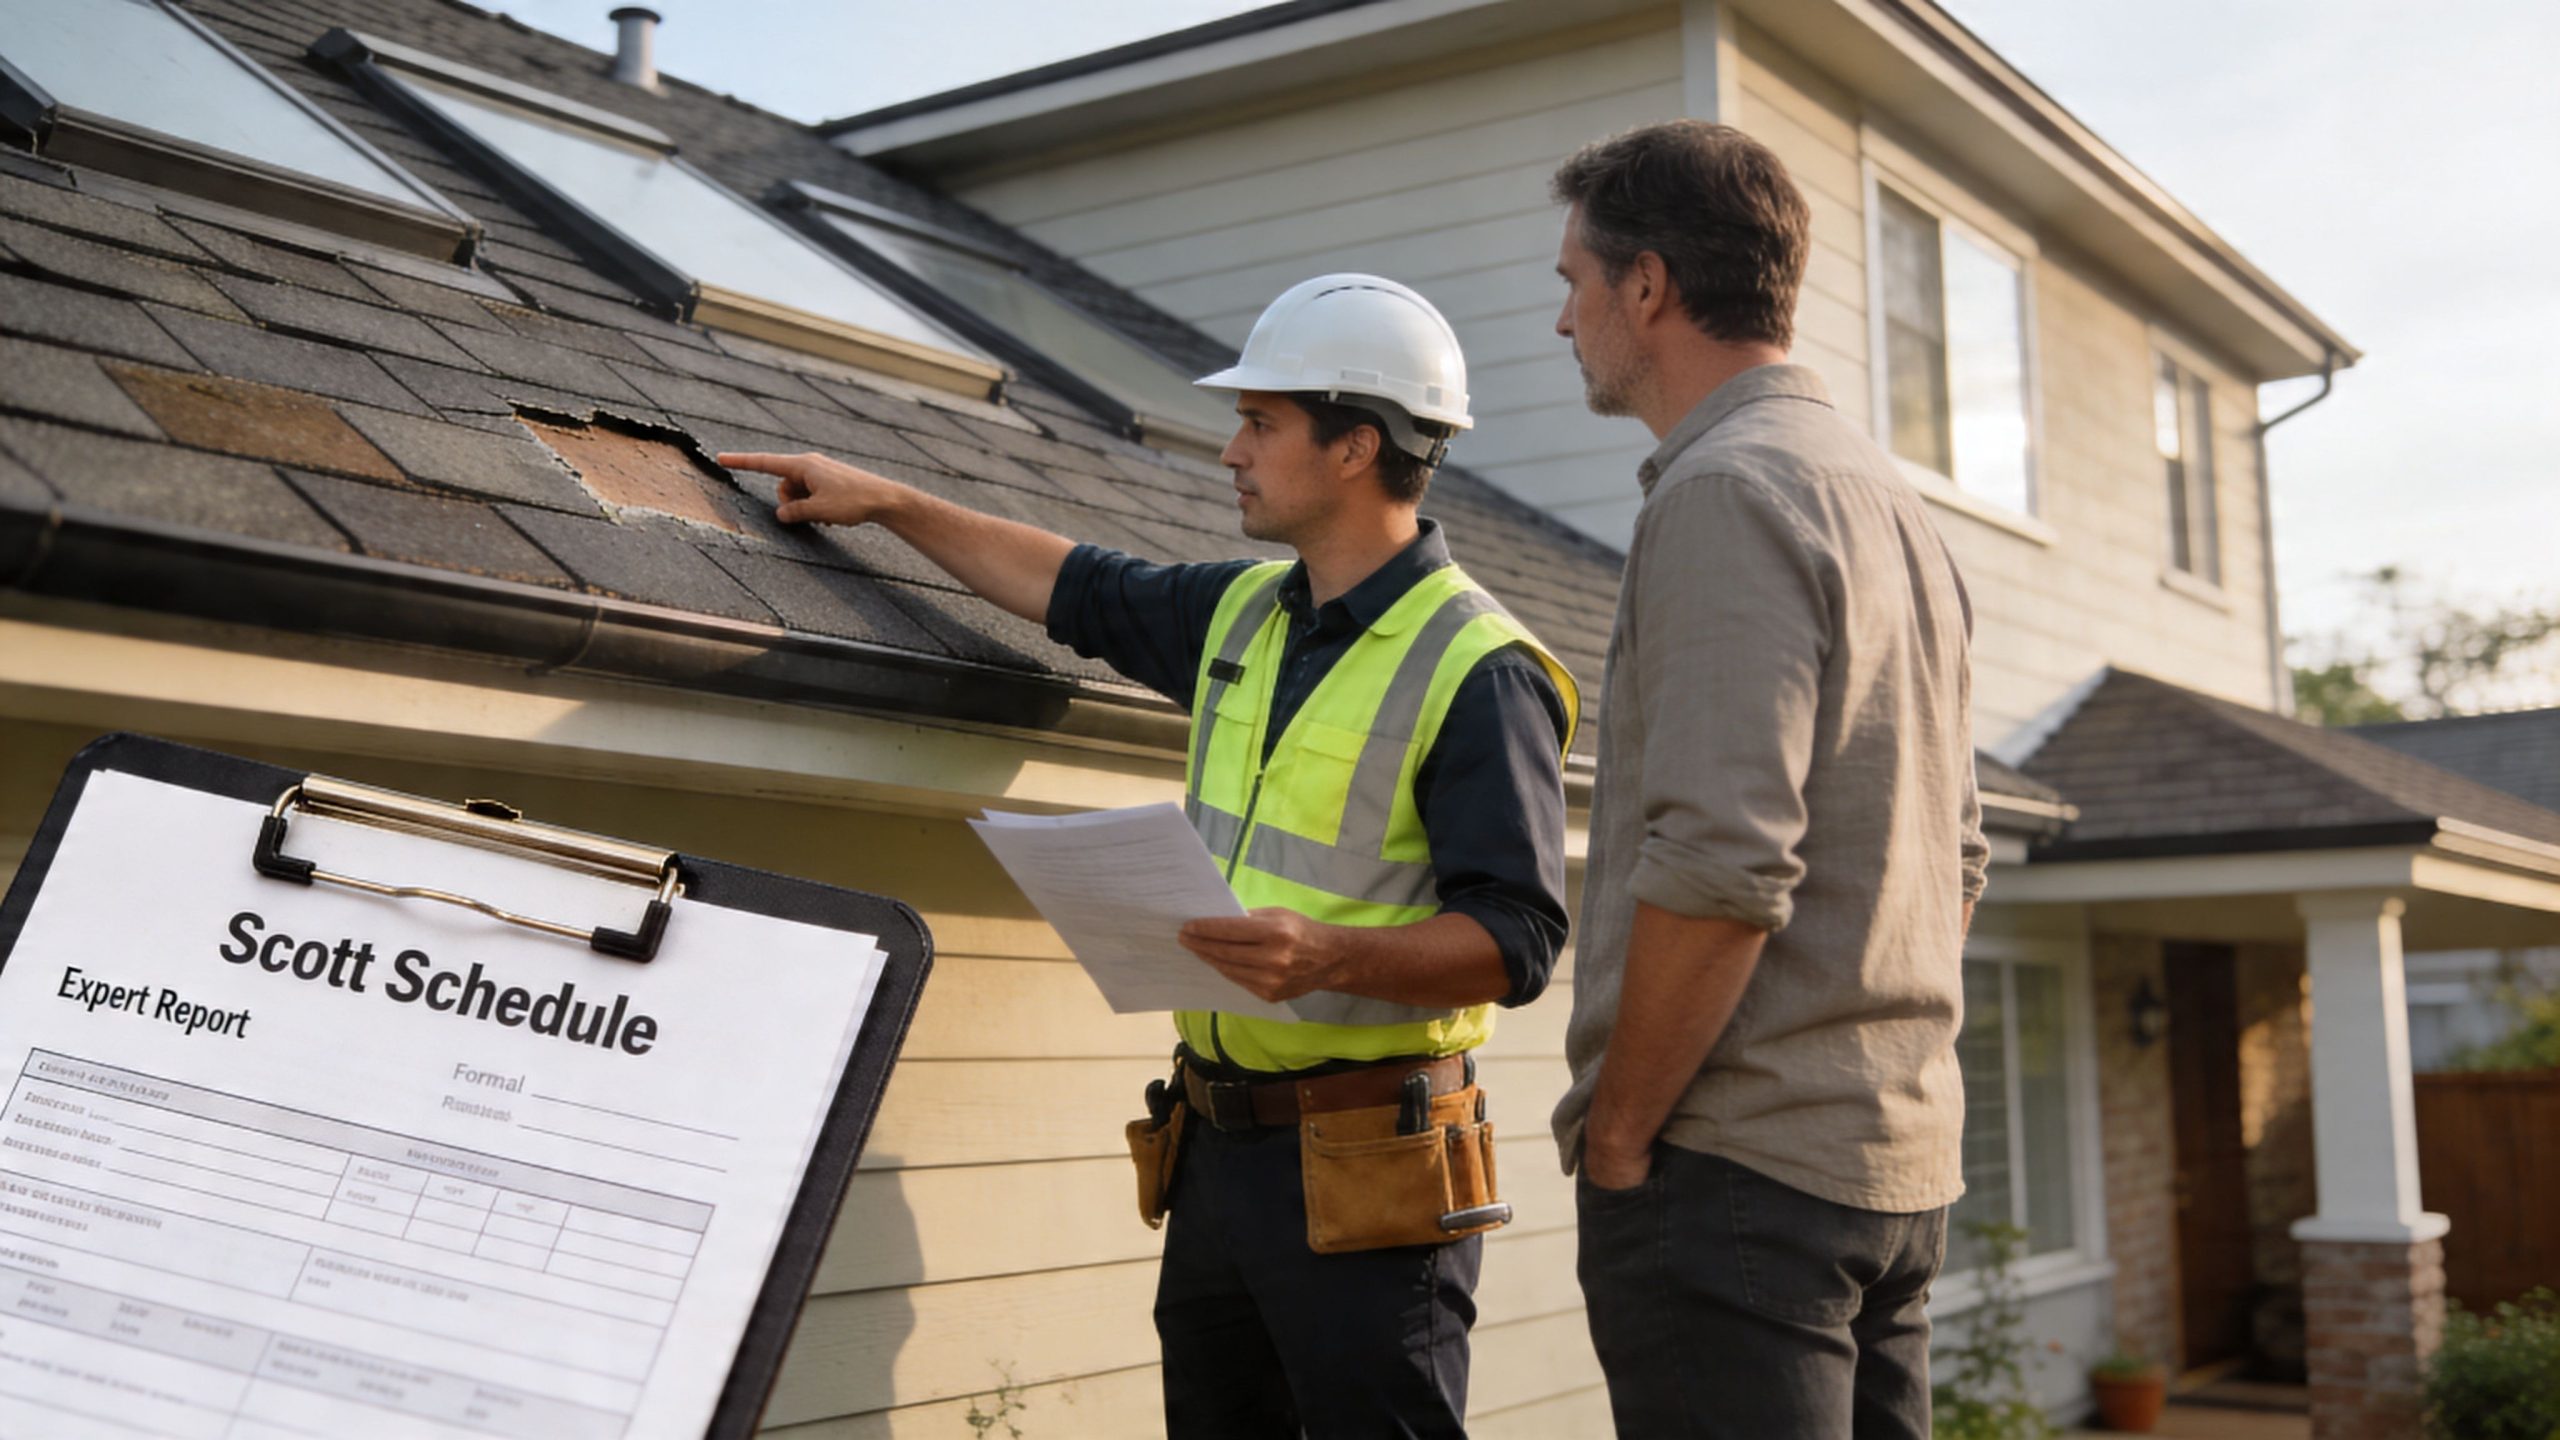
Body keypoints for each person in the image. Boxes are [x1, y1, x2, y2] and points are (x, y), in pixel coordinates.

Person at [721, 273, 1577, 1440]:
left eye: (1261, 423)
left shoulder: (1479, 668)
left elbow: (1518, 938)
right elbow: (1066, 583)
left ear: (1353, 447)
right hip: (1219, 1153)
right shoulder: (1243, 616)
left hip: (1371, 1162)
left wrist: (1330, 955)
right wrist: (884, 502)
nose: (1230, 449)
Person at [1543, 121, 1990, 1438]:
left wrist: (1620, 1138)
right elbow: (1956, 858)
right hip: (1888, 1174)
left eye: (1573, 281)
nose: (1563, 319)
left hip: (1738, 1182)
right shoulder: (1890, 501)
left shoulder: (1729, 489)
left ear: (1648, 286)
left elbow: (1723, 864)